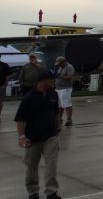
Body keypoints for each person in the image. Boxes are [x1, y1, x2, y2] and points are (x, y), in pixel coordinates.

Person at [14, 70, 62, 199]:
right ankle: (33, 192)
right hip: (32, 139)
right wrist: (21, 137)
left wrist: (57, 128)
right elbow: (20, 119)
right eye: (52, 79)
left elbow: (56, 112)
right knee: (31, 168)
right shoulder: (29, 97)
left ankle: (51, 192)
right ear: (44, 80)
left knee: (51, 166)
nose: (54, 81)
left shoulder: (54, 94)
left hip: (50, 137)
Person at [54, 56, 75, 126]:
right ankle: (59, 118)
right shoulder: (61, 67)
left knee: (67, 104)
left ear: (63, 61)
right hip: (59, 88)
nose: (59, 65)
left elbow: (69, 77)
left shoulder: (69, 67)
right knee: (60, 105)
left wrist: (60, 76)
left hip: (65, 88)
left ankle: (69, 119)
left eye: (59, 63)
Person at [1, 54, 13, 119]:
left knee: (0, 101)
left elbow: (9, 75)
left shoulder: (4, 65)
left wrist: (6, 82)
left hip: (1, 85)